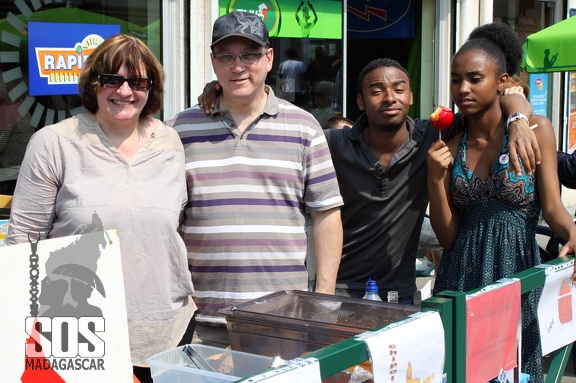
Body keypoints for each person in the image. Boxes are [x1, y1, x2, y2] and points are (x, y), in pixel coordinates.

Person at [199, 56, 540, 304]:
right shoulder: (332, 144)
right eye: (376, 90)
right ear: (361, 101)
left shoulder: (432, 135)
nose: (388, 97)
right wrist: (220, 91)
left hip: (400, 296)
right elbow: (272, 121)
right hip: (338, 293)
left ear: (410, 96)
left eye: (398, 89)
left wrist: (517, 119)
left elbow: (503, 96)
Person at [4, 34, 195, 383]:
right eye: (113, 80)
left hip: (167, 329)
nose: (125, 91)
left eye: (138, 81)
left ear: (151, 88)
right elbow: (23, 243)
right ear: (94, 84)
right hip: (80, 332)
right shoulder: (54, 143)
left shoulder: (170, 142)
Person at [166, 11, 343, 348]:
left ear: (269, 58)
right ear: (213, 62)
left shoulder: (304, 128)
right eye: (226, 56)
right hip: (200, 325)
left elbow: (327, 215)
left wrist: (324, 299)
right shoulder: (178, 130)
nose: (238, 66)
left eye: (249, 54)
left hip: (282, 321)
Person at [427, 23, 576, 383]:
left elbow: (554, 207)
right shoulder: (451, 142)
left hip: (517, 273)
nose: (463, 89)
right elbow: (448, 237)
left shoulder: (535, 128)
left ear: (502, 80)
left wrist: (573, 233)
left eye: (475, 78)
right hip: (460, 276)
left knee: (517, 371)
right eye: (456, 79)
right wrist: (434, 178)